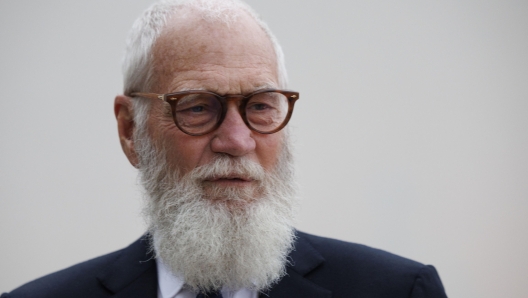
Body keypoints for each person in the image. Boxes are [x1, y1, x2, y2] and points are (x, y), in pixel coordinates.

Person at [1, 0, 447, 297]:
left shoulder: (397, 291)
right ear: (130, 130)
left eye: (260, 105)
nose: (236, 141)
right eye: (196, 107)